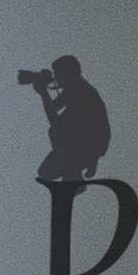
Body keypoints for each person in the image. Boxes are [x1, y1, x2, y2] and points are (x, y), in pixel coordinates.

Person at [19, 54, 112, 185]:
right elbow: (54, 108)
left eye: (58, 74)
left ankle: (75, 179)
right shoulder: (77, 88)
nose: (56, 78)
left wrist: (44, 93)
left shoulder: (81, 93)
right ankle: (79, 169)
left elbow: (56, 123)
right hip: (86, 141)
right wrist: (43, 90)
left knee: (55, 132)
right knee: (45, 171)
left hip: (90, 142)